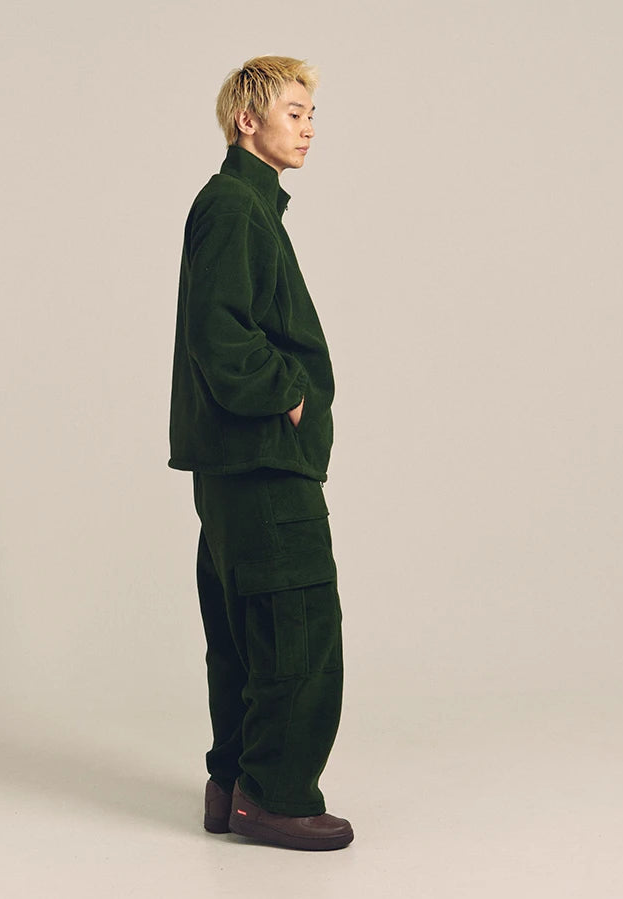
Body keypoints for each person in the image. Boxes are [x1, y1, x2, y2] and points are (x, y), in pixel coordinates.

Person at [168, 55, 352, 851]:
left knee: (246, 628)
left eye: (312, 115)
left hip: (239, 463)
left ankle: (233, 785)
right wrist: (292, 391)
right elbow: (220, 334)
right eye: (294, 112)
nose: (308, 128)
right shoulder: (236, 207)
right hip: (263, 459)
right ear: (248, 120)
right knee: (296, 624)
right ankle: (274, 795)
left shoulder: (242, 206)